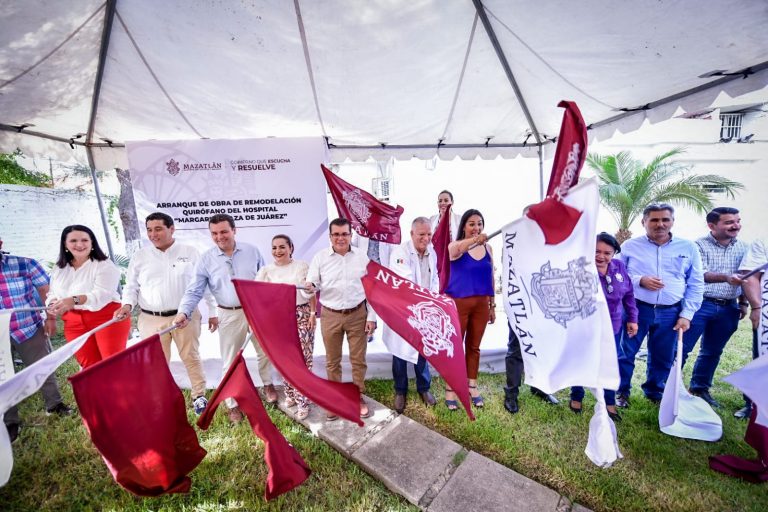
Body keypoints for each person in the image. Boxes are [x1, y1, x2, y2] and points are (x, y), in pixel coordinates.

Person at [174, 214, 273, 423]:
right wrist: (184, 311)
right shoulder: (206, 259)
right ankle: (233, 404)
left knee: (265, 352)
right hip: (228, 313)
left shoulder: (252, 251)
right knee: (230, 361)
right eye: (215, 233)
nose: (220, 237)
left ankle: (268, 384)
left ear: (234, 230)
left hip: (256, 312)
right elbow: (194, 290)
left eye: (224, 231)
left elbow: (266, 280)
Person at [114, 212, 215, 415]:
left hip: (186, 317)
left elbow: (203, 285)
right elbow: (131, 286)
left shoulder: (190, 252)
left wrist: (213, 311)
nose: (153, 234)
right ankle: (160, 397)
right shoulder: (141, 256)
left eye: (158, 229)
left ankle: (199, 396)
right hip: (151, 318)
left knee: (191, 356)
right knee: (155, 362)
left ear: (171, 228)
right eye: (149, 230)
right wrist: (126, 305)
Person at [616, 204, 703, 406]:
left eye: (665, 219)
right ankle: (621, 392)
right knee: (626, 352)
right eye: (654, 220)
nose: (660, 224)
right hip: (636, 309)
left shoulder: (688, 248)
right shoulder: (630, 246)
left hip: (671, 311)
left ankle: (655, 391)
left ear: (672, 221)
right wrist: (639, 280)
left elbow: (696, 282)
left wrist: (687, 314)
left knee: (664, 355)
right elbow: (618, 274)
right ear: (644, 222)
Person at [0, 236, 73, 443]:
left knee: (42, 367)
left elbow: (46, 291)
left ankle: (55, 405)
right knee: (2, 375)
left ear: (1, 243)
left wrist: (50, 318)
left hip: (27, 327)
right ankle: (9, 420)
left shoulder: (24, 263)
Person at [303, 218, 377, 420]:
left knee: (358, 360)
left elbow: (372, 289)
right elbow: (313, 284)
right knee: (332, 361)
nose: (340, 238)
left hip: (357, 315)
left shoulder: (362, 257)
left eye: (344, 234)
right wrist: (310, 286)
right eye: (336, 234)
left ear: (351, 235)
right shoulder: (320, 258)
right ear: (330, 236)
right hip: (330, 315)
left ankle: (357, 396)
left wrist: (371, 317)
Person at [680, 207, 748, 408]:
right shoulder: (697, 246)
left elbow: (746, 276)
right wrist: (726, 277)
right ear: (712, 225)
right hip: (700, 305)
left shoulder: (744, 247)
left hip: (729, 308)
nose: (735, 225)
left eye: (737, 220)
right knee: (682, 349)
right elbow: (699, 274)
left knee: (712, 351)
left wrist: (743, 303)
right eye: (729, 222)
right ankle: (666, 388)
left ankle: (699, 388)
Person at [569, 233, 638, 421]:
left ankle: (609, 403)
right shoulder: (579, 268)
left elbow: (629, 294)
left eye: (607, 253)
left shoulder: (619, 267)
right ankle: (576, 396)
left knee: (609, 363)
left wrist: (633, 318)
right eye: (596, 251)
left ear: (614, 253)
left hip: (612, 327)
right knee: (581, 360)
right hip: (585, 326)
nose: (601, 256)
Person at [46, 225, 131, 369]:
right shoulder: (59, 268)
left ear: (92, 243)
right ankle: (98, 392)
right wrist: (53, 302)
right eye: (73, 241)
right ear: (65, 244)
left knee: (113, 365)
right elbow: (52, 292)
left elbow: (101, 295)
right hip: (73, 321)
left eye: (84, 240)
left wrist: (73, 300)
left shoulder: (104, 265)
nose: (79, 244)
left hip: (106, 317)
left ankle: (122, 391)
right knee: (89, 366)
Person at [256, 234, 316, 420]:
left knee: (302, 359)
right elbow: (258, 296)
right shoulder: (266, 271)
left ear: (291, 247)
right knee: (283, 359)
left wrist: (313, 313)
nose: (278, 251)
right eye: (274, 247)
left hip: (301, 314)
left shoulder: (302, 266)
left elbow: (310, 292)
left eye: (282, 247)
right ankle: (290, 393)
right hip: (278, 318)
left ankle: (303, 400)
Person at [384, 217, 439, 414]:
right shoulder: (400, 252)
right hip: (403, 310)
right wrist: (426, 301)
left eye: (429, 234)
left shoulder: (432, 252)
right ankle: (400, 390)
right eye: (422, 234)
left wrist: (434, 298)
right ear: (412, 234)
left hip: (424, 310)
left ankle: (424, 388)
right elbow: (406, 283)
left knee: (423, 351)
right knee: (400, 353)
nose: (426, 238)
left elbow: (434, 278)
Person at [444, 209, 495, 409]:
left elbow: (490, 276)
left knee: (474, 347)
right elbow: (456, 251)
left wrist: (492, 304)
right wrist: (475, 240)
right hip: (459, 303)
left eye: (479, 223)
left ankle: (471, 385)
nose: (476, 227)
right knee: (456, 347)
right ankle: (450, 388)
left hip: (481, 303)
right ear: (464, 226)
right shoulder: (455, 246)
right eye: (472, 224)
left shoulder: (488, 248)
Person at [735, 237, 767, 419]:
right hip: (766, 314)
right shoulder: (762, 241)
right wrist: (756, 307)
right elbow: (750, 276)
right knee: (761, 360)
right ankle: (753, 406)